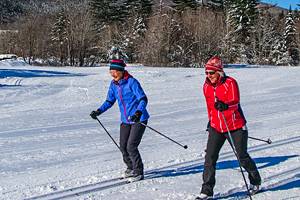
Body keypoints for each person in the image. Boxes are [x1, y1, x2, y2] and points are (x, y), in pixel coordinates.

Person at [196, 56, 261, 200]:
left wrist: (226, 106)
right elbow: (209, 107)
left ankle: (255, 181)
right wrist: (211, 121)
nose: (209, 76)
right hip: (217, 127)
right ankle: (206, 190)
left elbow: (235, 102)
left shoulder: (230, 83)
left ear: (219, 72)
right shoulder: (206, 86)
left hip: (235, 126)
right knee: (210, 158)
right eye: (206, 73)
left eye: (211, 73)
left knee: (242, 157)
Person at [90, 59, 149, 182]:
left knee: (131, 146)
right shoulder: (114, 85)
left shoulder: (132, 82)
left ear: (121, 71)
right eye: (111, 71)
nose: (113, 74)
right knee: (123, 146)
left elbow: (143, 99)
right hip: (125, 120)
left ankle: (138, 172)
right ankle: (131, 167)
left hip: (139, 119)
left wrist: (138, 112)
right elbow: (109, 101)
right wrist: (99, 111)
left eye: (115, 71)